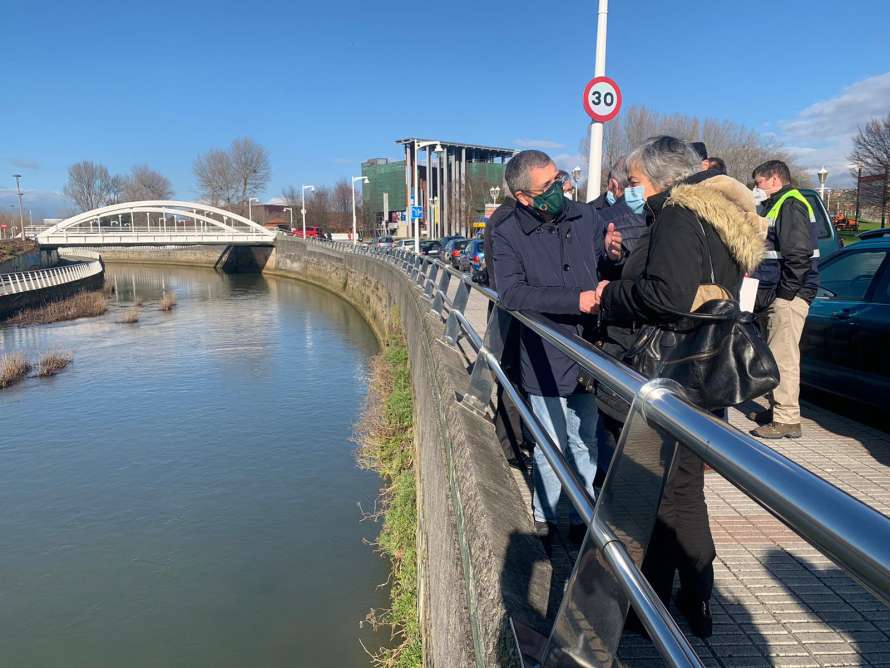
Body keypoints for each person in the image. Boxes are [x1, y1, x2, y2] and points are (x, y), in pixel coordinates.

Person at [597, 136, 764, 638]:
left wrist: (612, 293)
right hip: (706, 369)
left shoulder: (675, 213)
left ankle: (653, 606)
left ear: (663, 179)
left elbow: (667, 296)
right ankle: (695, 601)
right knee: (685, 492)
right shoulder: (719, 211)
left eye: (635, 182)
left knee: (658, 492)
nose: (631, 191)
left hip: (671, 370)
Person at [492, 149, 622, 553]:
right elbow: (511, 293)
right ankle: (549, 520)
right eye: (547, 186)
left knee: (586, 437)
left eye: (558, 178)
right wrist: (575, 300)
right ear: (523, 197)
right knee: (550, 444)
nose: (558, 190)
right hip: (545, 354)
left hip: (588, 348)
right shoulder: (506, 231)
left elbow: (600, 260)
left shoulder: (584, 216)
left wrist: (611, 253)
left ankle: (583, 514)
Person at [748, 160, 820, 439]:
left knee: (783, 357)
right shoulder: (779, 204)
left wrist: (785, 294)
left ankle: (787, 418)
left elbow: (797, 255)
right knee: (775, 356)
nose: (756, 188)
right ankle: (776, 409)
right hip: (778, 293)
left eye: (759, 182)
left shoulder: (790, 204)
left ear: (775, 179)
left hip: (788, 296)